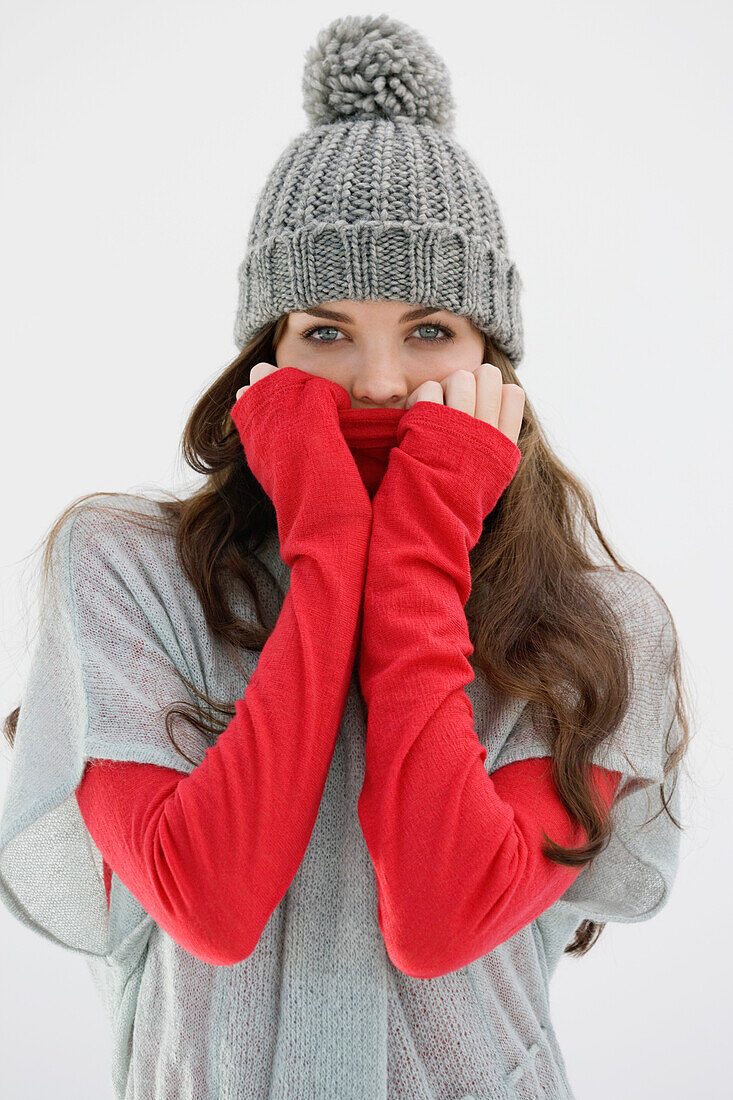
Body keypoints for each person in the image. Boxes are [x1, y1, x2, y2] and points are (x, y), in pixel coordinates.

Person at [0, 13, 691, 1100]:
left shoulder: (599, 630)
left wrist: (414, 548)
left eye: (428, 333)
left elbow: (440, 914)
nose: (376, 382)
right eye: (325, 332)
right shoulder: (121, 569)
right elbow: (208, 902)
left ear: (489, 359)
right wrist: (331, 545)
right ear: (261, 361)